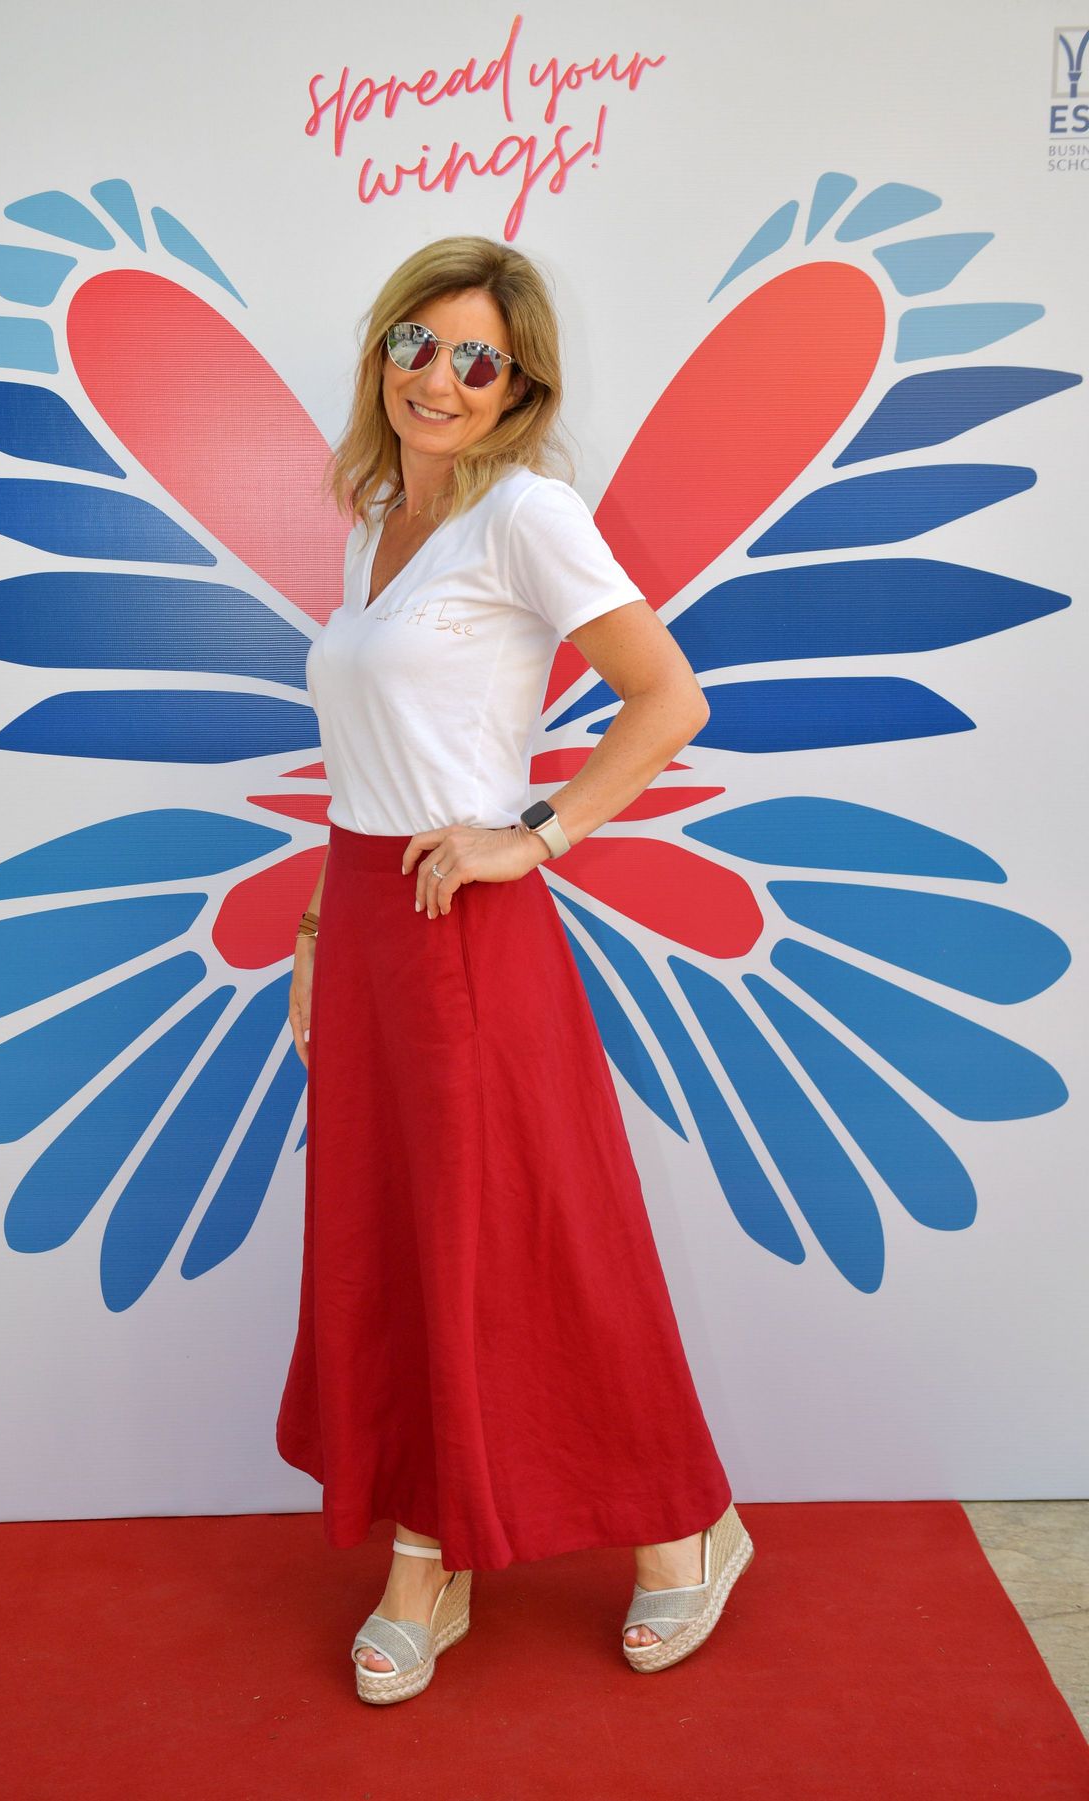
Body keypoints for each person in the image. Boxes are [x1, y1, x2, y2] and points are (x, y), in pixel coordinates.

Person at [275, 235, 753, 1705]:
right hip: (370, 919)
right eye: (416, 342)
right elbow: (367, 761)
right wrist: (316, 934)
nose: (439, 377)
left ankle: (685, 1530)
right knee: (400, 1245)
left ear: (518, 388)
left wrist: (533, 835)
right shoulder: (377, 520)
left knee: (540, 1244)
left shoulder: (528, 514)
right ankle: (434, 1554)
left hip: (466, 931)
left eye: (477, 359)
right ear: (383, 350)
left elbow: (668, 696)